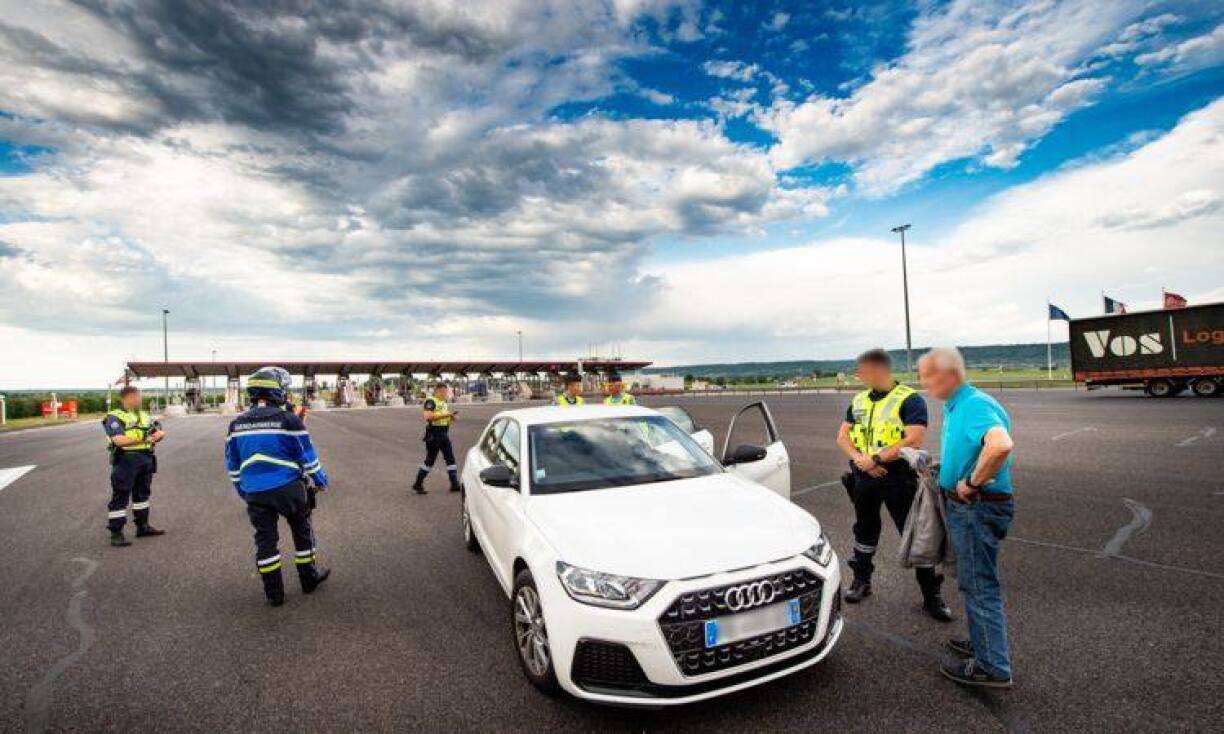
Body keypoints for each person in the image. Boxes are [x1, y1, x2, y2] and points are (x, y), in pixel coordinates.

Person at [919, 347, 1016, 688]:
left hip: (976, 508)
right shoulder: (958, 404)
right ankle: (982, 643)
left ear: (948, 375)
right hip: (969, 507)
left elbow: (1000, 445)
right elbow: (974, 447)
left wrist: (972, 481)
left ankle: (992, 666)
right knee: (973, 579)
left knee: (978, 584)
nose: (923, 383)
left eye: (927, 376)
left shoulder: (974, 404)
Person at [835, 348, 952, 621]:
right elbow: (842, 436)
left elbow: (914, 440)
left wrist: (876, 459)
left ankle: (931, 595)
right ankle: (862, 581)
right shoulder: (859, 400)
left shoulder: (909, 400)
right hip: (864, 478)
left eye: (862, 370)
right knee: (864, 530)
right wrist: (861, 460)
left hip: (898, 479)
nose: (858, 375)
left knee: (916, 535)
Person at [225, 366, 331, 607]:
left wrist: (244, 490)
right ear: (278, 392)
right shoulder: (288, 419)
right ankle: (308, 580)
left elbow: (232, 464)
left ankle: (274, 594)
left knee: (265, 541)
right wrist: (321, 480)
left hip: (255, 492)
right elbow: (307, 455)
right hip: (289, 488)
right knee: (302, 532)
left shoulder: (236, 425)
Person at [102, 386, 167, 547]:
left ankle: (142, 526)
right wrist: (145, 439)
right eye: (136, 397)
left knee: (142, 495)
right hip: (126, 460)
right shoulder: (114, 417)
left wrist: (160, 435)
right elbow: (118, 440)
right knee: (121, 495)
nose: (139, 399)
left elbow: (154, 432)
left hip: (145, 458)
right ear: (126, 398)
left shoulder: (144, 415)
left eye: (139, 397)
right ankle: (116, 533)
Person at [411, 382, 460, 495]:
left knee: (450, 459)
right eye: (444, 391)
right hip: (434, 434)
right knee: (430, 461)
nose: (445, 393)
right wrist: (446, 415)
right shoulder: (430, 401)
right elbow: (428, 416)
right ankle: (418, 483)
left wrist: (452, 418)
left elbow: (444, 419)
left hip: (444, 433)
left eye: (446, 392)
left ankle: (454, 483)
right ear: (437, 391)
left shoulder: (443, 403)